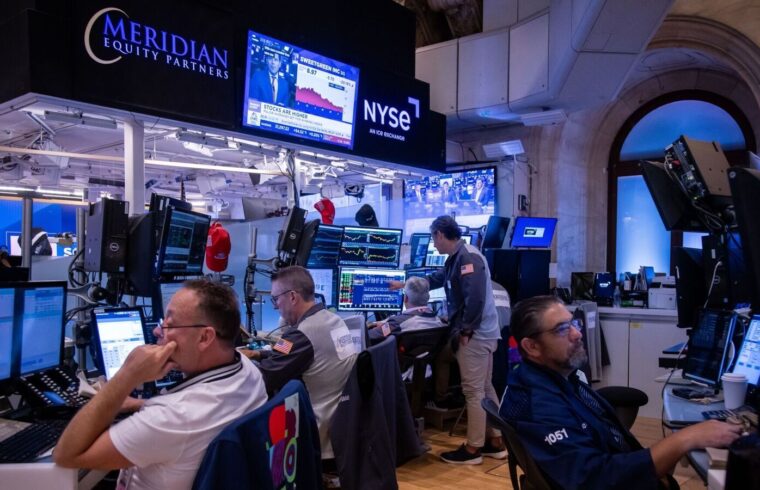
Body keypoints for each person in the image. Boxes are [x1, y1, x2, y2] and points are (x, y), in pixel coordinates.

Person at [500, 295, 744, 489]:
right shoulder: (540, 405)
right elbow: (595, 479)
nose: (577, 333)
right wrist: (683, 440)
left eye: (573, 323)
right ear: (532, 347)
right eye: (562, 329)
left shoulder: (562, 377)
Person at [54, 279, 268, 489]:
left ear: (204, 337)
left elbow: (67, 455)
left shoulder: (171, 417)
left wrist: (127, 375)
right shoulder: (248, 371)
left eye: (170, 325)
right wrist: (138, 404)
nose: (157, 331)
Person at [389, 215, 505, 464]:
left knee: (473, 391)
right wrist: (405, 284)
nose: (434, 243)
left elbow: (475, 298)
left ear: (440, 234)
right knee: (485, 388)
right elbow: (436, 279)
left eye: (434, 238)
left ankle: (473, 450)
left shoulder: (467, 258)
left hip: (476, 335)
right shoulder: (458, 257)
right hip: (484, 333)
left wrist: (466, 330)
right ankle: (496, 442)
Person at [243, 266, 358, 460]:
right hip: (342, 420)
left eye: (275, 299)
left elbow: (264, 379)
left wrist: (236, 363)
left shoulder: (300, 334)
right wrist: (257, 354)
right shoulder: (333, 319)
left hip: (316, 429)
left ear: (292, 297)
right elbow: (288, 352)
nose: (275, 306)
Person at [368, 276, 443, 343]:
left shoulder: (396, 322)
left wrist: (371, 326)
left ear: (405, 298)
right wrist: (386, 325)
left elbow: (369, 336)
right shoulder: (438, 320)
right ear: (428, 298)